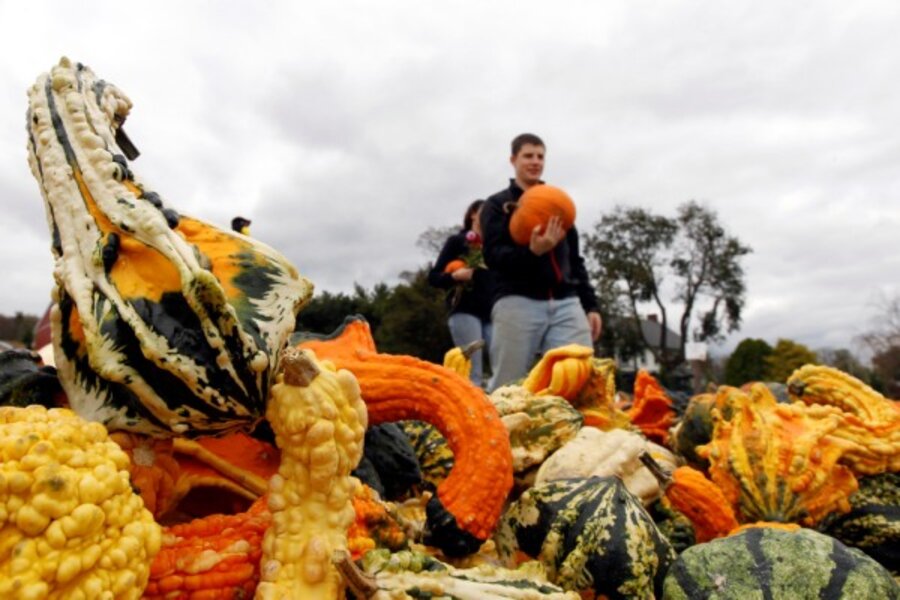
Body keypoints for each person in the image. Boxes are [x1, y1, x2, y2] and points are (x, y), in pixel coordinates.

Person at [481, 133, 602, 391]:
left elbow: (575, 260)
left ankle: (579, 430)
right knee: (508, 384)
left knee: (581, 375)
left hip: (566, 302)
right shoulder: (496, 205)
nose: (535, 161)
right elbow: (493, 257)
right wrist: (532, 252)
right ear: (513, 160)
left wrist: (590, 305)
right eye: (528, 156)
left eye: (540, 156)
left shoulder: (557, 203)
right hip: (516, 301)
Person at [428, 200, 495, 387]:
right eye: (485, 211)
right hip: (465, 311)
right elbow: (433, 277)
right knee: (473, 371)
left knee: (504, 363)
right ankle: (471, 413)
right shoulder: (457, 242)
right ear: (473, 214)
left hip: (492, 314)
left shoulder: (494, 247)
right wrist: (455, 276)